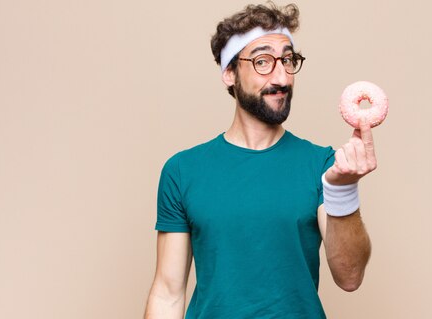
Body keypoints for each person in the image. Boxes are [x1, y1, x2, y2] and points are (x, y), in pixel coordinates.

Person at [144, 2, 376, 318]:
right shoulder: (182, 171)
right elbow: (167, 294)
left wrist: (343, 191)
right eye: (263, 61)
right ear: (229, 73)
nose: (281, 76)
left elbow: (350, 277)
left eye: (288, 60)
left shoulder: (322, 165)